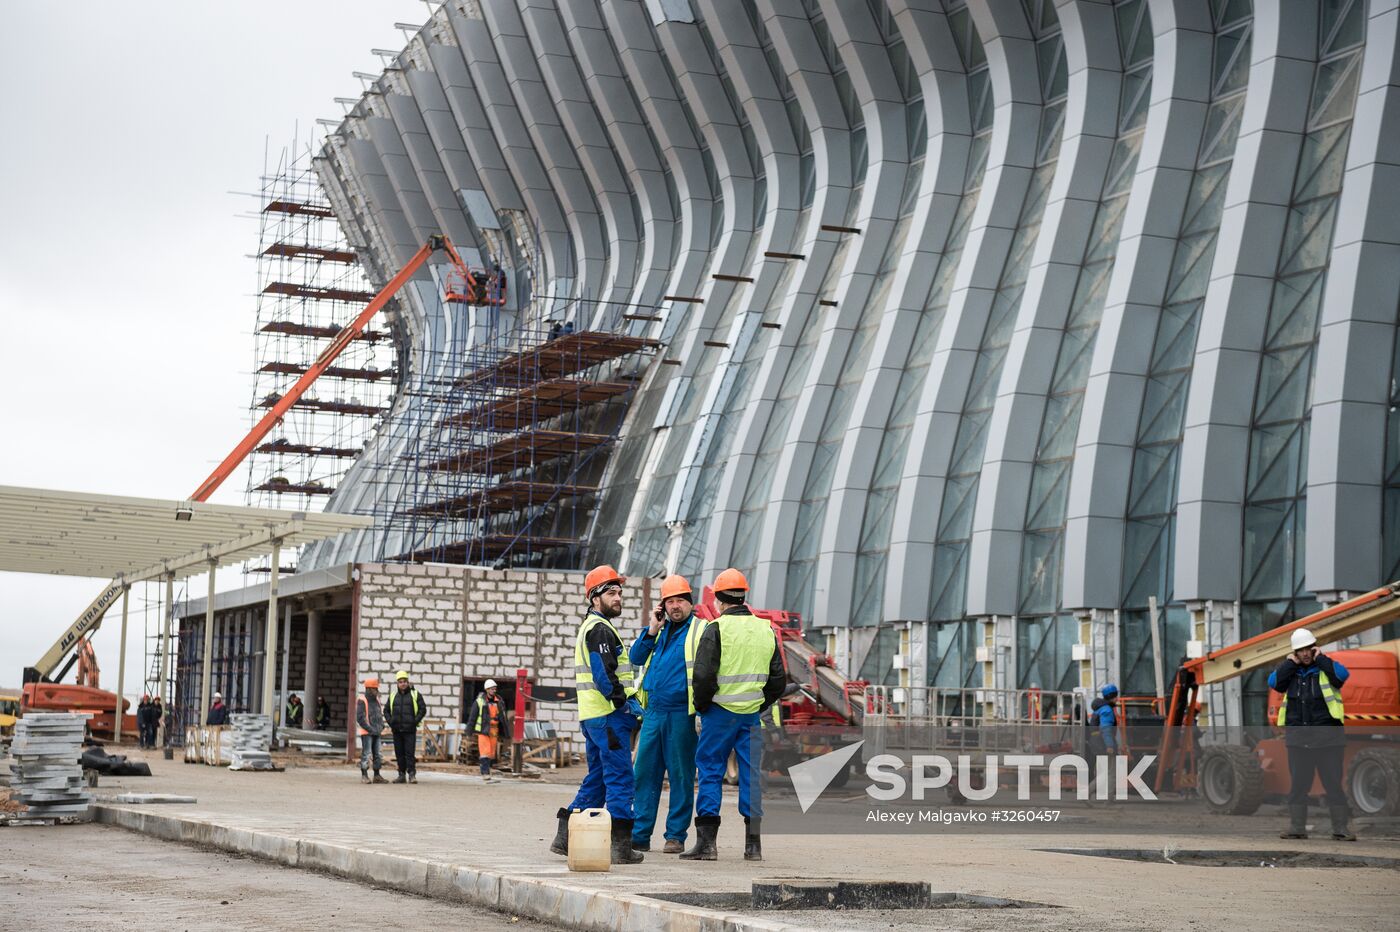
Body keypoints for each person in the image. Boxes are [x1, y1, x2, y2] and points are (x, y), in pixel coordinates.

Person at [684, 568, 786, 862]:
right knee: (751, 775)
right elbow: (777, 680)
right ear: (743, 596)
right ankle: (753, 846)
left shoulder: (715, 629)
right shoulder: (765, 629)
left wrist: (703, 707)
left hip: (719, 713)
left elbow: (702, 676)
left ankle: (706, 845)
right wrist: (757, 702)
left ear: (718, 599)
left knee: (711, 771)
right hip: (750, 716)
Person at [549, 565, 645, 865]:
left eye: (619, 592)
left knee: (599, 778)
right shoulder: (600, 629)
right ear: (594, 598)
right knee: (620, 778)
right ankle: (620, 847)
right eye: (611, 593)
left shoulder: (593, 627)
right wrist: (623, 704)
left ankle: (566, 835)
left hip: (594, 718)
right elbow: (605, 676)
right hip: (608, 717)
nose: (618, 597)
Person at [629, 574, 703, 854]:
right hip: (653, 714)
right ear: (662, 606)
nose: (675, 606)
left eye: (680, 600)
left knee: (681, 775)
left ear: (689, 603)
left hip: (681, 713)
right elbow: (635, 658)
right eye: (670, 601)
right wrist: (650, 629)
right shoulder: (657, 632)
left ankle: (675, 836)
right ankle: (640, 834)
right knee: (644, 774)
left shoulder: (699, 630)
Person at [1270, 628, 1354, 840]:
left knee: (1333, 784)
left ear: (1314, 648)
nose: (1305, 653)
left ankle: (1341, 829)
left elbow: (1342, 675)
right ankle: (1297, 828)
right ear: (1295, 653)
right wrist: (1290, 663)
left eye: (1308, 649)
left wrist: (1322, 658)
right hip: (1299, 740)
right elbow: (1274, 683)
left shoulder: (1325, 667)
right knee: (1299, 786)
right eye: (1301, 650)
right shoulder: (1291, 672)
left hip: (1328, 739)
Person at [385, 669, 427, 784]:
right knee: (399, 754)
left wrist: (414, 721)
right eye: (400, 681)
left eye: (405, 681)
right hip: (397, 730)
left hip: (410, 730)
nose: (403, 683)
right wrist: (391, 722)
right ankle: (401, 775)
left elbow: (423, 709)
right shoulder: (393, 695)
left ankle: (412, 775)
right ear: (397, 683)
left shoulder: (415, 694)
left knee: (409, 754)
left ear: (408, 682)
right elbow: (386, 710)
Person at [466, 679, 508, 782]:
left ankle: (487, 771)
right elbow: (473, 717)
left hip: (494, 731)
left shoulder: (499, 701)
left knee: (491, 753)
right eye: (492, 689)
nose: (494, 690)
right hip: (483, 731)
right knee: (485, 752)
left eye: (495, 689)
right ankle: (485, 773)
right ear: (487, 689)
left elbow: (503, 717)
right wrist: (469, 731)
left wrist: (506, 731)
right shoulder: (480, 701)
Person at [355, 678, 388, 784]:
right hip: (367, 733)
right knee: (366, 754)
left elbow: (378, 714)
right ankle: (364, 776)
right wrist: (371, 729)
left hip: (376, 732)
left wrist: (381, 725)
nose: (376, 691)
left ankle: (377, 775)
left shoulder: (377, 699)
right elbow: (360, 719)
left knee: (378, 754)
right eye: (375, 689)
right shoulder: (362, 700)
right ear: (369, 689)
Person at [1090, 684, 1119, 754]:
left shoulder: (1100, 708)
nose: (1117, 698)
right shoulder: (1107, 710)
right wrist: (1109, 745)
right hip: (1102, 743)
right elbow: (1106, 728)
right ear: (1111, 696)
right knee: (1109, 764)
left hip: (1095, 741)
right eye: (1115, 696)